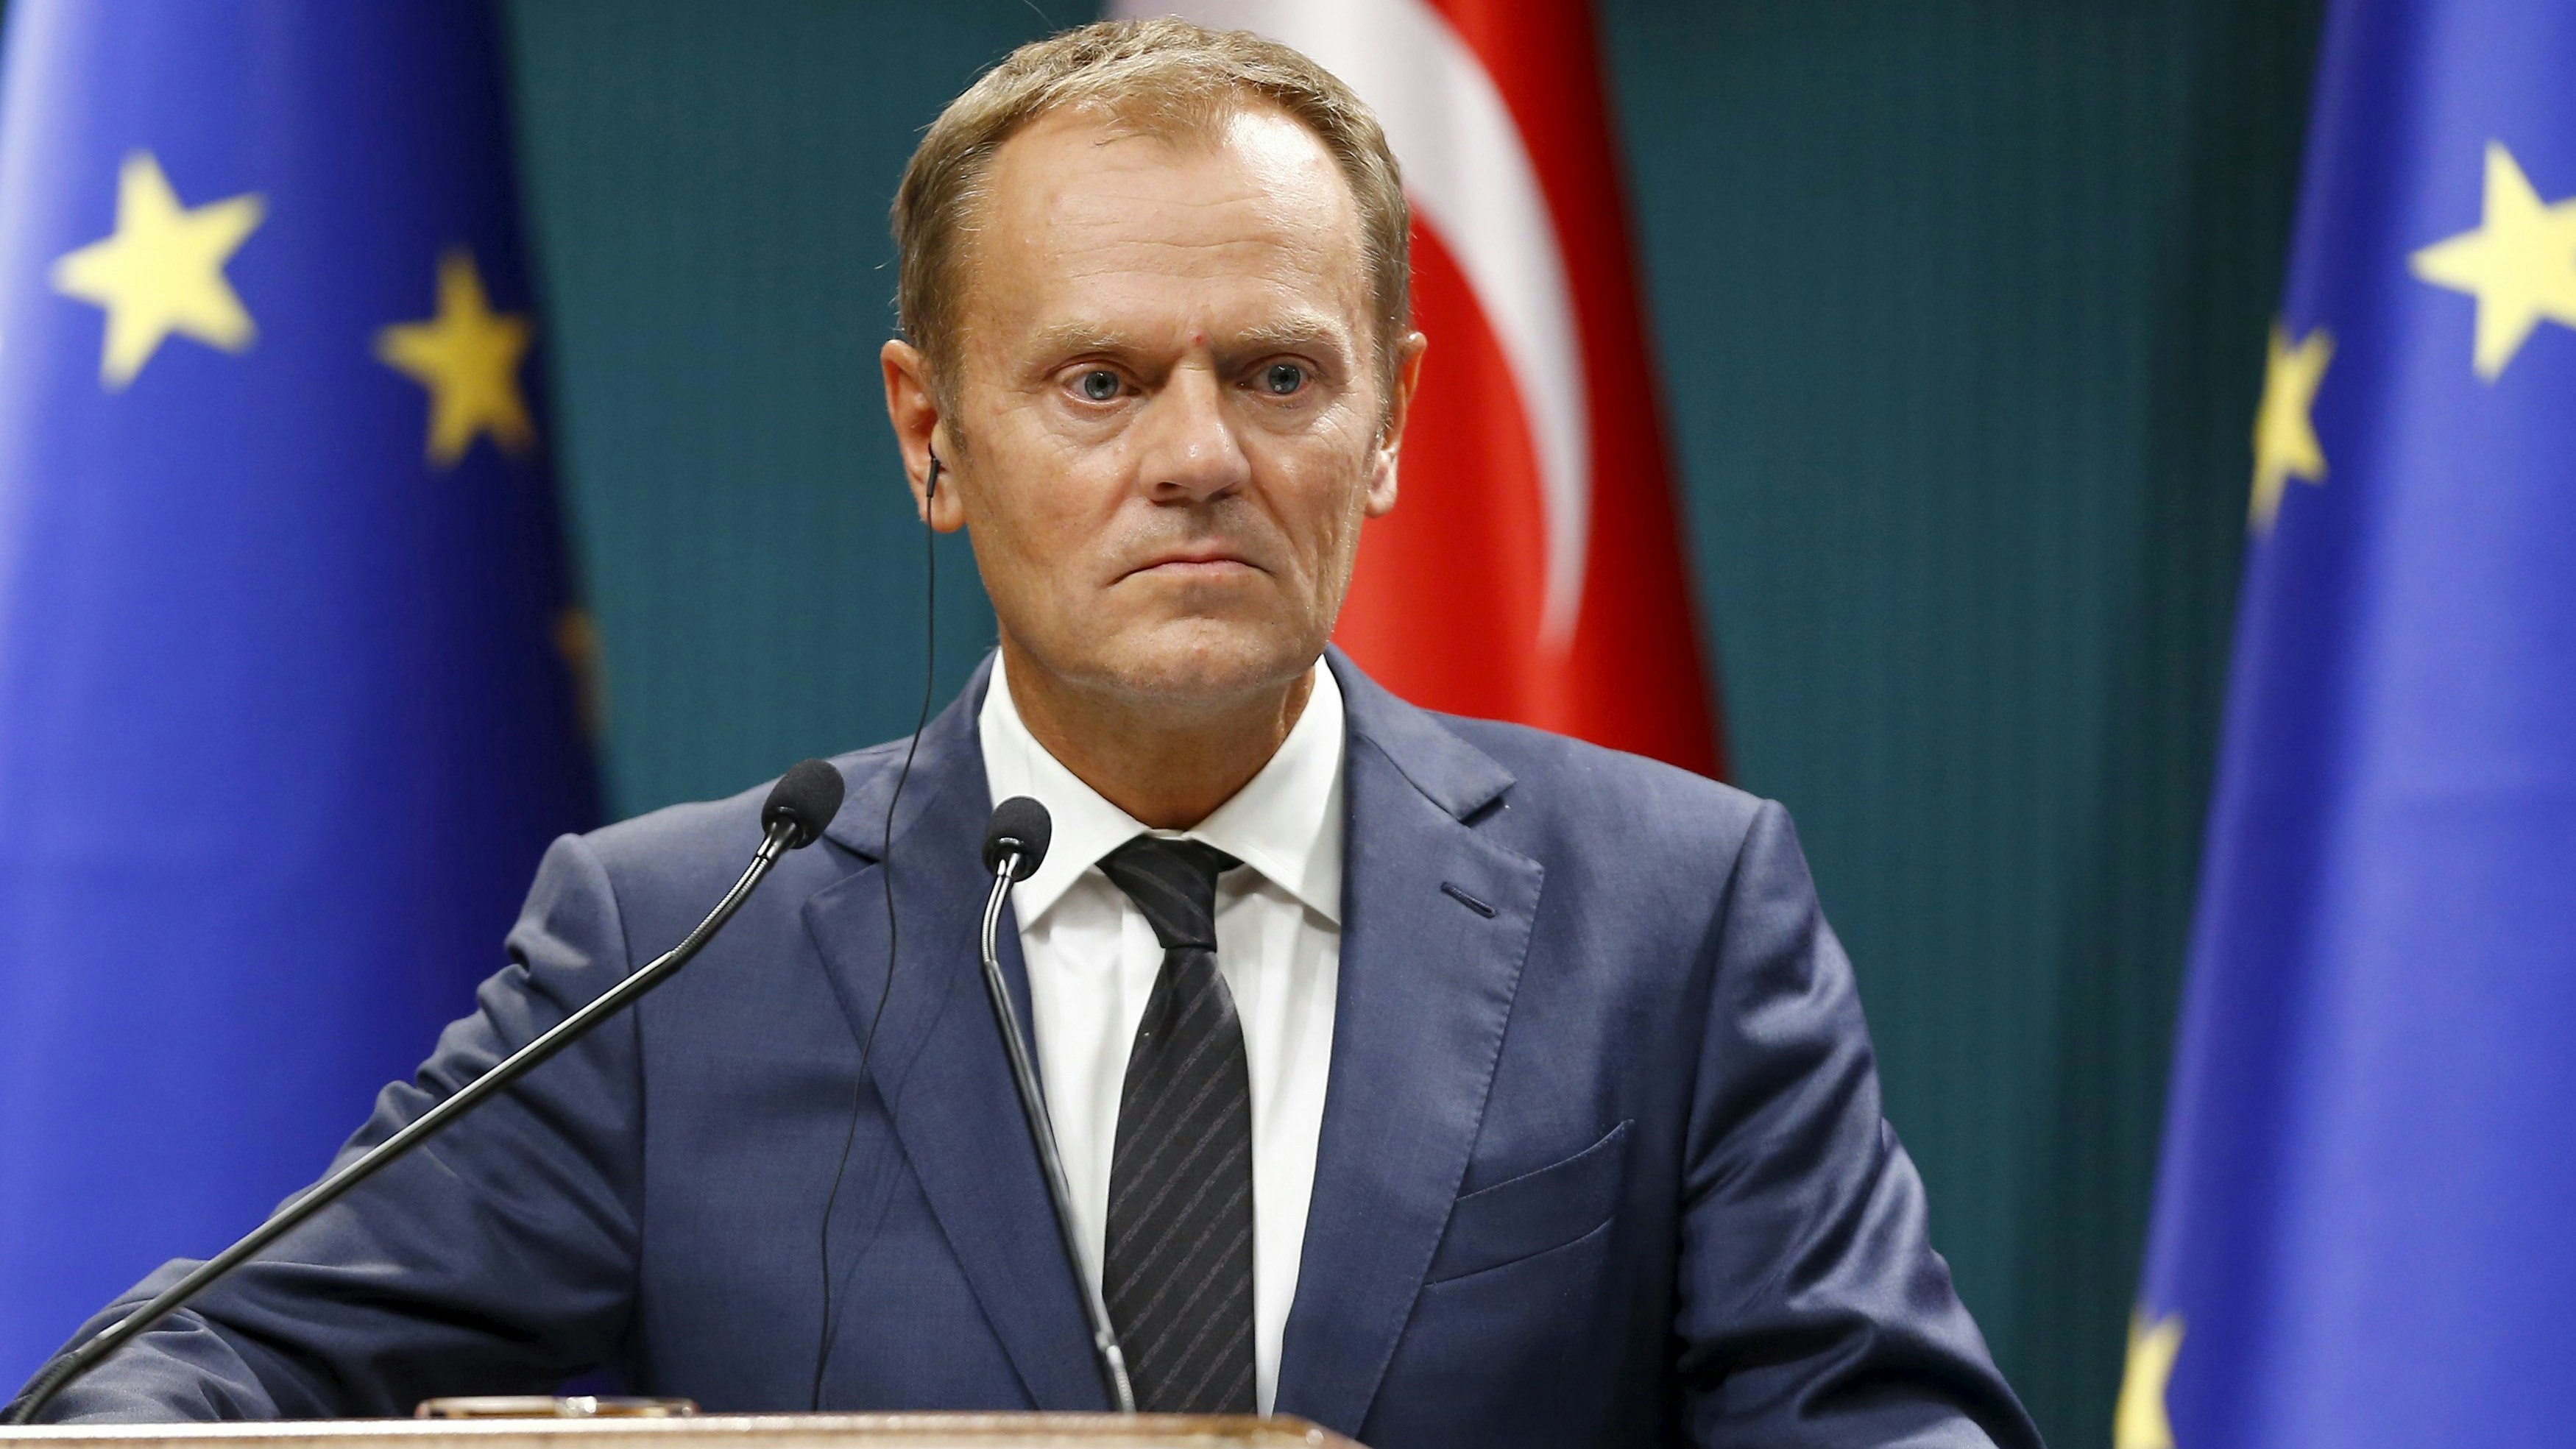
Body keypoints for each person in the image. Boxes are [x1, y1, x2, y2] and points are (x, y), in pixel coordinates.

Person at [14, 20, 2041, 1448]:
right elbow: (186, 1382)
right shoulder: (669, 946)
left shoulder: (1669, 913)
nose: (1197, 458)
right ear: (930, 436)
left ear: (1397, 416)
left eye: (1274, 372)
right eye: (1095, 381)